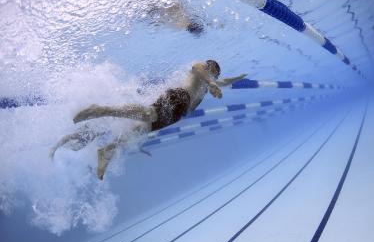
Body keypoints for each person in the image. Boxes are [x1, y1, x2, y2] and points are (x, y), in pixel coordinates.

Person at [51, 60, 246, 180]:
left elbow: (224, 81)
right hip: (178, 96)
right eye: (212, 71)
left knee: (140, 130)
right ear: (209, 66)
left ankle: (107, 150)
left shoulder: (208, 83)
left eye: (215, 74)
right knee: (148, 114)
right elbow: (199, 70)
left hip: (177, 114)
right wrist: (211, 83)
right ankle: (101, 110)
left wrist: (238, 77)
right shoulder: (201, 68)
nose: (213, 74)